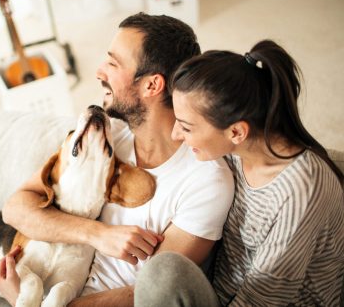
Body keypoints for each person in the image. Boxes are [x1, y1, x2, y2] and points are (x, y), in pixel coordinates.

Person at [0, 12, 235, 306]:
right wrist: (98, 234)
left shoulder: (206, 180)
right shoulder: (109, 138)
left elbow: (148, 294)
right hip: (56, 289)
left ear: (151, 85)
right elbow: (15, 208)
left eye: (112, 63)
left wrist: (27, 301)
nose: (98, 71)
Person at [134, 40, 344, 306]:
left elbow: (264, 299)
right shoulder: (234, 150)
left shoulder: (301, 189)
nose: (176, 134)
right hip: (221, 286)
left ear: (236, 132)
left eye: (186, 127)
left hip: (263, 302)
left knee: (162, 275)